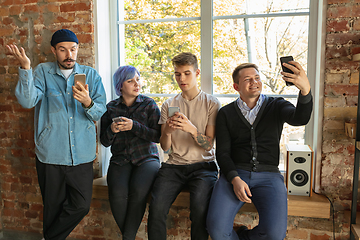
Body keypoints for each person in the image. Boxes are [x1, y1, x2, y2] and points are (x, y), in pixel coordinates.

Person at [6, 29, 107, 240]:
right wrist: (26, 68)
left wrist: (88, 102)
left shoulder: (91, 75)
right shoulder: (42, 72)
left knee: (81, 205)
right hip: (50, 153)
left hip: (82, 155)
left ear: (78, 49)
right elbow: (27, 101)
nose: (69, 54)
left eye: (73, 49)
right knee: (52, 208)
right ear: (54, 50)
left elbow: (100, 112)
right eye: (63, 49)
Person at [206, 61, 313, 240]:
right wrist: (234, 179)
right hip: (235, 174)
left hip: (269, 176)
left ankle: (245, 236)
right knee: (216, 229)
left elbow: (300, 118)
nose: (254, 82)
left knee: (274, 235)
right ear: (236, 86)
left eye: (257, 78)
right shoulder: (226, 113)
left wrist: (305, 91)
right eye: (247, 79)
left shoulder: (277, 105)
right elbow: (222, 153)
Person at [147, 52, 221, 240]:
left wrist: (191, 129)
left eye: (187, 73)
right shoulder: (169, 104)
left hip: (203, 167)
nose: (182, 78)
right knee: (156, 210)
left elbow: (209, 146)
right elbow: (165, 147)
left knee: (199, 212)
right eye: (178, 74)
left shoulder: (211, 103)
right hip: (174, 166)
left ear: (196, 73)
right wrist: (168, 132)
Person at [100, 65, 161, 239]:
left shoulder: (149, 104)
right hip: (120, 159)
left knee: (138, 193)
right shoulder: (110, 108)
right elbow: (104, 142)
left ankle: (127, 237)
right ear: (120, 86)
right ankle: (129, 236)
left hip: (147, 159)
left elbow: (157, 136)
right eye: (130, 80)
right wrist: (112, 129)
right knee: (117, 195)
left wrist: (134, 126)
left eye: (138, 79)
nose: (137, 83)